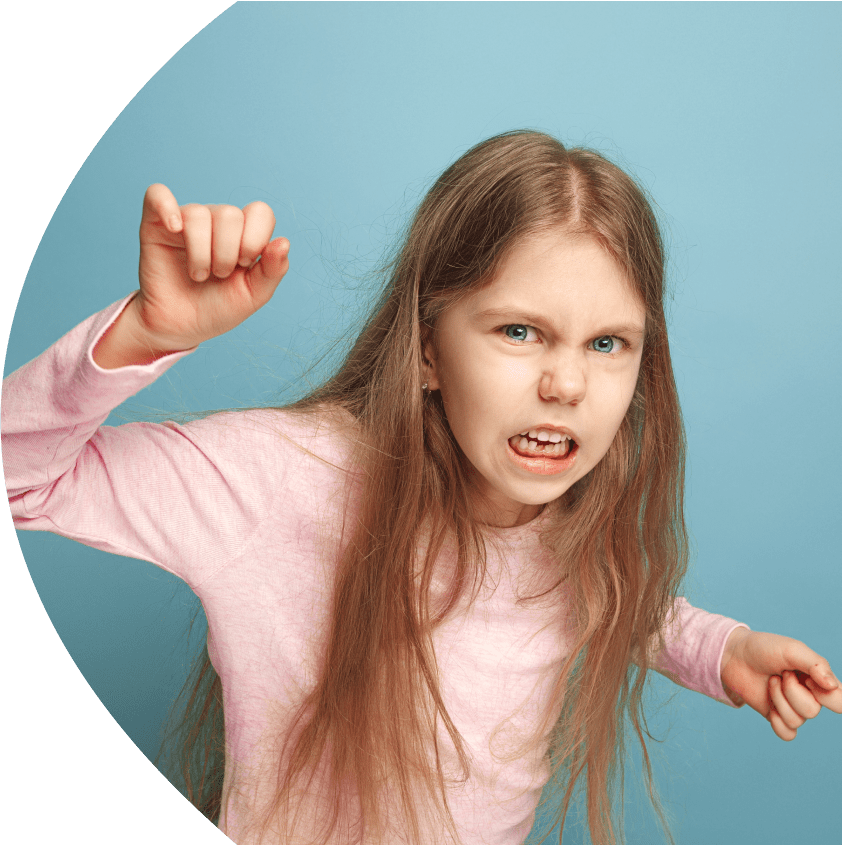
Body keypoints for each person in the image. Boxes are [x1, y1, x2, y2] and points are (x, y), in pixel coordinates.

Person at [3, 131, 839, 845]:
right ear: (429, 348)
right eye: (521, 331)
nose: (567, 385)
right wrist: (146, 332)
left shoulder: (571, 527)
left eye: (609, 344)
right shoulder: (282, 481)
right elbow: (24, 478)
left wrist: (722, 652)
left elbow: (615, 594)